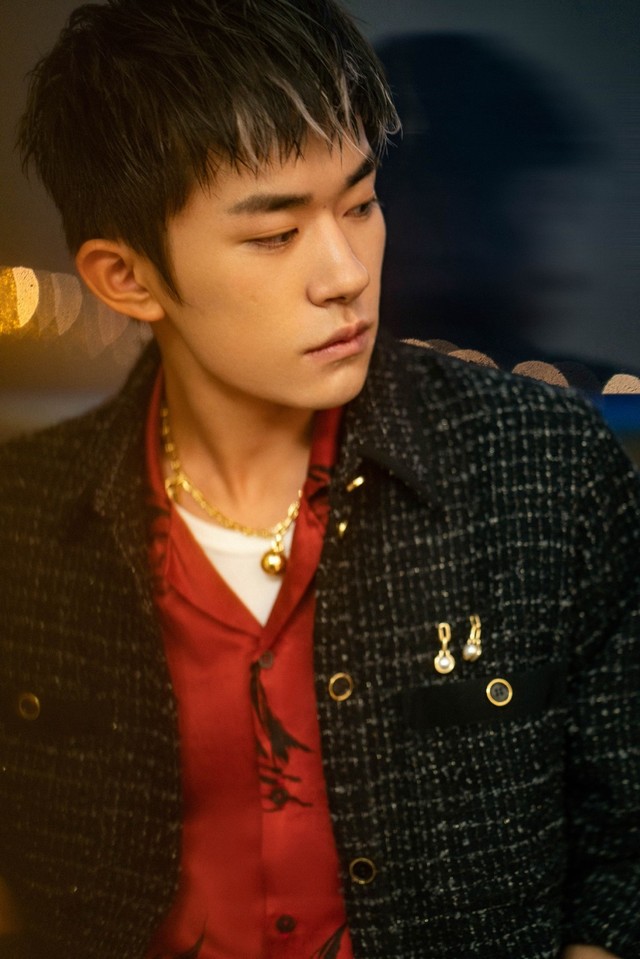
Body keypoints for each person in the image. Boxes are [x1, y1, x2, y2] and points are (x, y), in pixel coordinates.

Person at [0, 1, 638, 957]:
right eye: (274, 234)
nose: (344, 273)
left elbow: (626, 850)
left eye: (361, 204)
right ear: (126, 277)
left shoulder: (544, 466)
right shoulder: (23, 520)